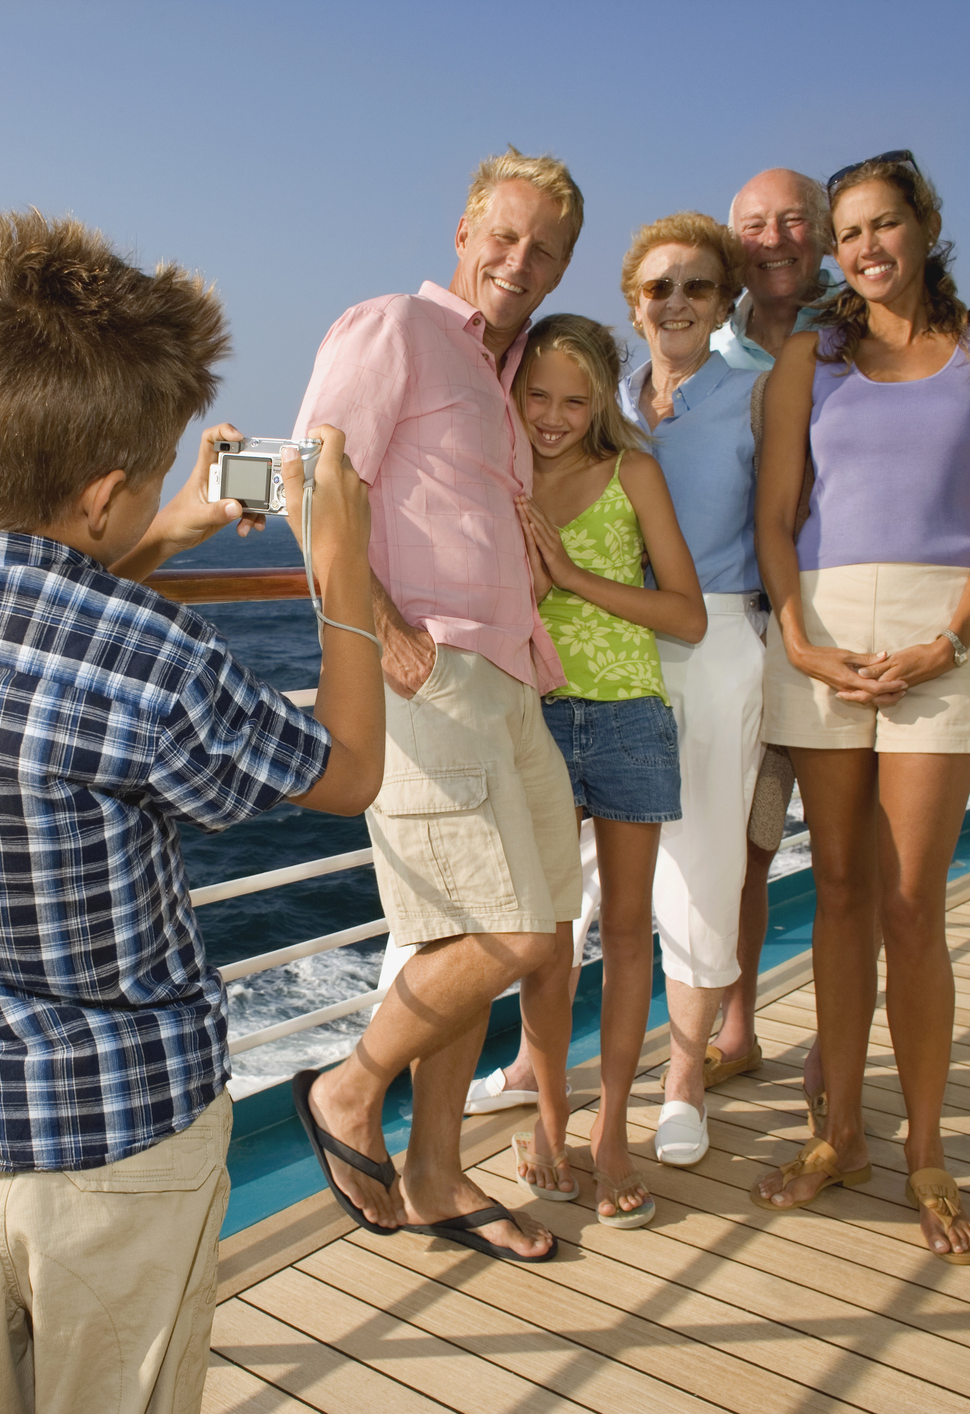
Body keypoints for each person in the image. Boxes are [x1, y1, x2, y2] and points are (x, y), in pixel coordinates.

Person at [0, 208, 384, 1414]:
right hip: (123, 1141)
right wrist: (338, 558)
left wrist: (171, 522)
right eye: (151, 473)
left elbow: (40, 617)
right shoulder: (161, 661)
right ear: (101, 497)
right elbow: (348, 772)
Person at [750, 152, 970, 1267]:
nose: (867, 247)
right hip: (823, 634)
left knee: (912, 902)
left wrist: (948, 640)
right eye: (849, 234)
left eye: (885, 224)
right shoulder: (806, 357)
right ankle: (842, 1137)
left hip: (948, 631)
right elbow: (779, 517)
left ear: (925, 223)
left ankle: (927, 1151)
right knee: (834, 888)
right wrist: (799, 638)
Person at [290, 149, 586, 1265]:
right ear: (465, 229)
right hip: (432, 675)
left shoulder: (498, 380)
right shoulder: (392, 329)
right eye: (504, 235)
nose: (520, 260)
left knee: (520, 924)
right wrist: (393, 640)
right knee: (507, 931)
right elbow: (314, 487)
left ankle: (434, 1173)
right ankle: (347, 1089)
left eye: (545, 247)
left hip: (510, 677)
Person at [509, 313, 705, 1226]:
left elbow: (687, 616)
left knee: (627, 935)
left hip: (628, 719)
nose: (552, 416)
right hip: (531, 721)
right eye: (536, 395)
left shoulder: (634, 474)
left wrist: (571, 576)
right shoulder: (496, 477)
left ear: (602, 404)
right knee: (547, 941)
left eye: (574, 400)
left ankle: (612, 1129)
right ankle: (548, 1123)